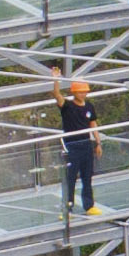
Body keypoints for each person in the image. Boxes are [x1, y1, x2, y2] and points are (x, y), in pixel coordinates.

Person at [52, 71, 98, 215]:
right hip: (72, 146)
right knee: (70, 178)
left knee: (87, 177)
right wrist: (56, 81)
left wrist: (97, 142)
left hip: (86, 144)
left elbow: (93, 124)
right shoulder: (68, 106)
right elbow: (57, 96)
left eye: (84, 92)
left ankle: (89, 205)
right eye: (80, 92)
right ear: (74, 92)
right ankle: (67, 208)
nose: (82, 94)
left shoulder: (89, 107)